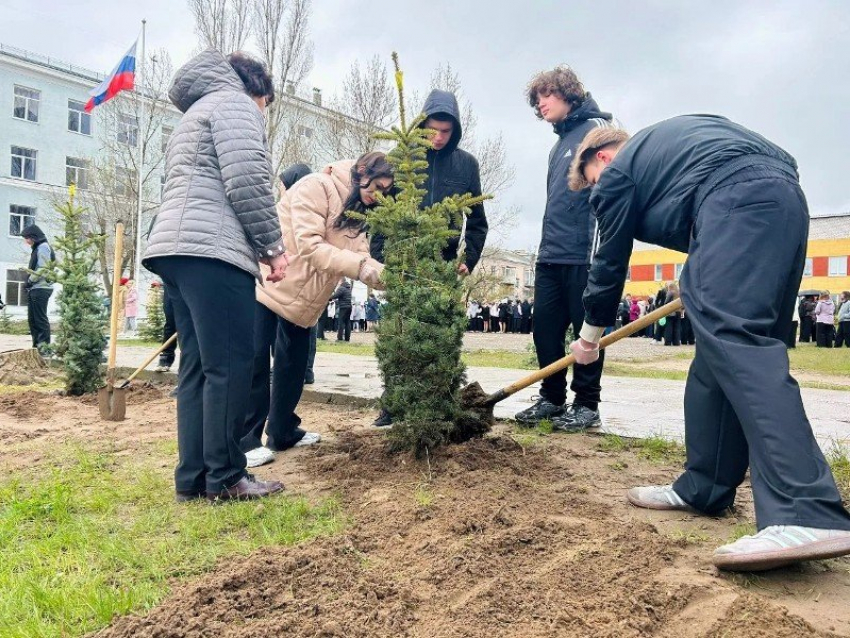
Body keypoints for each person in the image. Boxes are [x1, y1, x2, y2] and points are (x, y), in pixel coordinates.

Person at [567, 116, 850, 571]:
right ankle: (705, 485)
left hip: (737, 201)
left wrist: (590, 337)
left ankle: (806, 510)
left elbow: (609, 259)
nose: (596, 194)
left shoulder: (618, 173)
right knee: (723, 349)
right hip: (784, 202)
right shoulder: (675, 153)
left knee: (736, 342)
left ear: (600, 158)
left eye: (590, 184)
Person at [143, 49, 288, 502]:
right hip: (213, 251)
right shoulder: (236, 104)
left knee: (197, 369)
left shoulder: (196, 111)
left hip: (174, 248)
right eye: (267, 103)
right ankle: (226, 477)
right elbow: (247, 178)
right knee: (230, 366)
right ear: (258, 91)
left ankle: (194, 479)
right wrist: (271, 247)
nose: (263, 111)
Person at [242, 154, 389, 464]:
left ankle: (282, 431)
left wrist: (386, 276)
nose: (379, 195)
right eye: (377, 186)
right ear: (361, 172)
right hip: (270, 283)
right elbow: (309, 244)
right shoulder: (316, 186)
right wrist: (362, 266)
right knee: (254, 359)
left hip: (306, 298)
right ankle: (245, 440)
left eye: (385, 191)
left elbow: (360, 253)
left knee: (293, 364)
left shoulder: (358, 213)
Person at [516, 65, 616, 431]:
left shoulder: (596, 133)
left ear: (568, 93)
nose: (541, 104)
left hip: (583, 254)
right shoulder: (557, 145)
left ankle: (587, 405)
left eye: (547, 95)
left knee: (585, 332)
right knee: (544, 329)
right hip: (550, 254)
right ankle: (552, 398)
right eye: (537, 99)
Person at [21, 224, 55, 353]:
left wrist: (29, 281)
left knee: (39, 319)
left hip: (41, 288)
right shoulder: (37, 248)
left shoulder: (43, 247)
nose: (26, 241)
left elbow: (43, 268)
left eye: (27, 238)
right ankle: (36, 349)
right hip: (35, 288)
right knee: (33, 320)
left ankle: (44, 349)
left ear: (33, 237)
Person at [155, 282, 178, 372]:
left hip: (192, 280)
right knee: (170, 321)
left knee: (190, 326)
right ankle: (165, 358)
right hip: (171, 281)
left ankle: (188, 363)